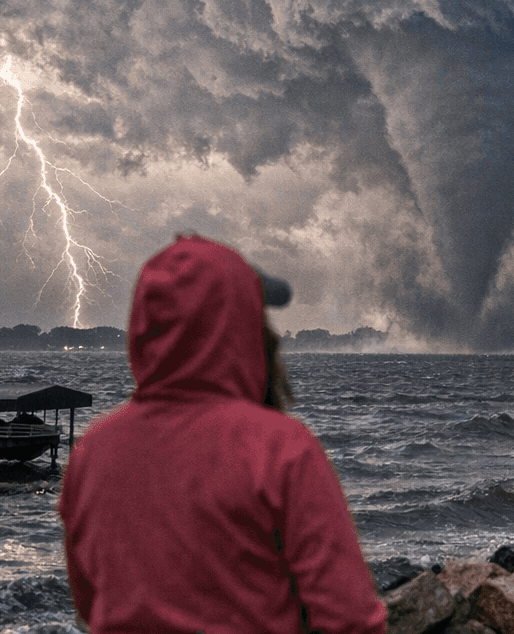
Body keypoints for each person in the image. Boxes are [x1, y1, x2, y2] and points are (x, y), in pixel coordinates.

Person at [59, 234, 387, 634]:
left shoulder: (91, 452)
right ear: (243, 330)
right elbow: (349, 618)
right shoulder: (281, 449)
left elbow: (89, 605)